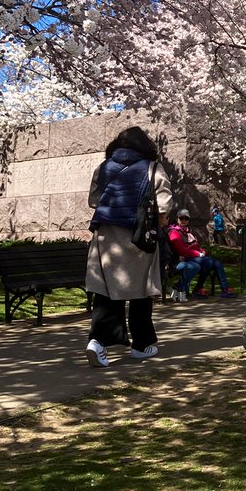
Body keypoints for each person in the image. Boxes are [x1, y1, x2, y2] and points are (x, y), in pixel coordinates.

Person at [85, 126, 173, 369]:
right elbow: (164, 205)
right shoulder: (152, 168)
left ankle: (97, 342)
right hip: (138, 237)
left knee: (106, 292)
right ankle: (141, 345)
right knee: (141, 291)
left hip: (105, 237)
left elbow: (94, 200)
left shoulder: (103, 167)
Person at [167, 209, 237, 299]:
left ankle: (225, 289)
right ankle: (197, 288)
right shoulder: (174, 232)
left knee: (217, 262)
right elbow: (182, 251)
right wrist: (198, 254)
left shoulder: (189, 232)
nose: (184, 220)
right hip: (181, 259)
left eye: (186, 218)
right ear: (177, 219)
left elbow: (195, 246)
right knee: (207, 262)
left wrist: (202, 251)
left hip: (192, 258)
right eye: (181, 218)